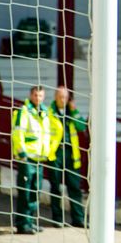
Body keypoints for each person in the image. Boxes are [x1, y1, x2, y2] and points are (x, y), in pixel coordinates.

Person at [12, 86, 51, 234]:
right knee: (25, 191)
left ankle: (30, 221)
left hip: (39, 159)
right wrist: (22, 154)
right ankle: (22, 223)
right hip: (27, 158)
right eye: (35, 95)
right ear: (30, 95)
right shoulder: (24, 111)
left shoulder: (45, 113)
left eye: (40, 96)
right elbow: (17, 133)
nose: (38, 98)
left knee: (35, 191)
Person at [47, 86, 87, 227]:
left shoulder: (72, 113)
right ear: (55, 97)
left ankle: (78, 219)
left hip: (71, 153)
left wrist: (74, 110)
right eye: (60, 97)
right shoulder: (49, 112)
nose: (62, 100)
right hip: (55, 153)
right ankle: (57, 219)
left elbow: (82, 127)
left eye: (65, 97)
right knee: (55, 187)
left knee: (74, 187)